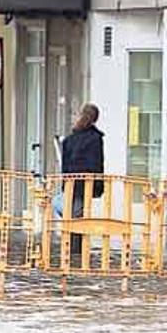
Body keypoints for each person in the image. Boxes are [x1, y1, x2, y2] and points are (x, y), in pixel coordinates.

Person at [53, 103, 105, 254]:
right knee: (79, 217)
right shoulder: (95, 139)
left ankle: (69, 249)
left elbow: (65, 165)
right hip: (85, 184)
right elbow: (97, 164)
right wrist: (98, 186)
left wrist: (65, 185)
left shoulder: (70, 139)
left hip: (71, 183)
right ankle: (76, 251)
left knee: (72, 216)